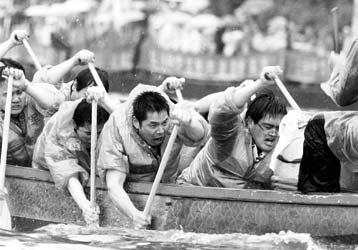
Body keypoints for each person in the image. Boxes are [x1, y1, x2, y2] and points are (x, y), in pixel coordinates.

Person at [96, 79, 209, 229]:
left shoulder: (173, 113)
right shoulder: (116, 127)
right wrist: (134, 215)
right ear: (136, 122)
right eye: (153, 125)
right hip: (131, 190)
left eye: (164, 123)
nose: (161, 130)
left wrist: (188, 123)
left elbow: (200, 136)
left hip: (167, 182)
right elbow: (114, 185)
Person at [177, 66, 287, 189]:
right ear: (250, 122)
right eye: (268, 127)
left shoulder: (284, 144)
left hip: (241, 202)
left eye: (278, 128)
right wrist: (260, 83)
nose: (274, 133)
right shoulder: (231, 134)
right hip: (194, 191)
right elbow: (222, 109)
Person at [32, 99, 110, 224]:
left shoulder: (109, 120)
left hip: (84, 159)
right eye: (88, 134)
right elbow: (67, 173)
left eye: (99, 133)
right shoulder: (61, 132)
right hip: (50, 166)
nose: (94, 139)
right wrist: (85, 206)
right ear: (75, 125)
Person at [0, 63, 60, 167]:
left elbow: (54, 104)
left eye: (19, 92)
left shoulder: (32, 100)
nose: (15, 100)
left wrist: (26, 86)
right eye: (8, 94)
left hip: (44, 169)